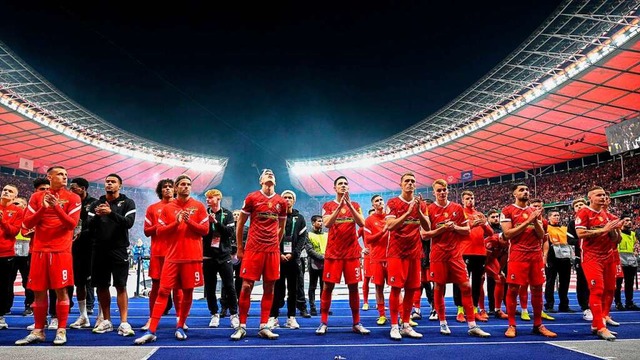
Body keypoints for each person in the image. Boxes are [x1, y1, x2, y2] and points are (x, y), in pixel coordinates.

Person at [134, 174, 208, 344]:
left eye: (188, 184)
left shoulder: (199, 207)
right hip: (172, 257)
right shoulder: (167, 208)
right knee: (162, 291)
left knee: (188, 292)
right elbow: (159, 231)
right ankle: (152, 329)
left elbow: (204, 230)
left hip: (192, 257)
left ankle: (180, 325)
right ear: (176, 187)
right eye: (182, 184)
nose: (186, 187)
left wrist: (189, 223)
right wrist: (176, 223)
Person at [15, 166, 81, 346]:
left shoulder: (73, 198)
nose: (64, 177)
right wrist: (43, 209)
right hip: (38, 251)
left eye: (66, 174)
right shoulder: (36, 197)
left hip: (61, 251)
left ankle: (61, 329)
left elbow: (71, 224)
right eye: (60, 174)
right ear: (49, 177)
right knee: (38, 292)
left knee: (61, 292)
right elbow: (27, 222)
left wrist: (56, 208)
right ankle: (38, 331)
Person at [425, 179, 490, 338]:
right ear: (434, 192)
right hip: (438, 254)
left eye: (444, 189)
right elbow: (425, 235)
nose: (442, 192)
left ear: (448, 191)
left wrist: (454, 227)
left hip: (455, 254)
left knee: (466, 286)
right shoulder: (429, 209)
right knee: (439, 288)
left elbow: (466, 230)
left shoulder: (457, 208)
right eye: (439, 190)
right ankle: (443, 323)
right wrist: (442, 229)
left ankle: (472, 325)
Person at [230, 169, 287, 340]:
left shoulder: (281, 202)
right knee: (246, 286)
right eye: (266, 174)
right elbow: (240, 223)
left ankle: (263, 325)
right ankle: (242, 325)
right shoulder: (252, 197)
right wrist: (240, 247)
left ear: (275, 182)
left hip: (271, 251)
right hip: (253, 249)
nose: (270, 175)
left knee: (270, 287)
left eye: (272, 174)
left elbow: (282, 227)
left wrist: (275, 244)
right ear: (260, 180)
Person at [316, 176, 370, 336]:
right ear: (335, 188)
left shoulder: (356, 205)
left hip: (351, 253)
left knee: (353, 287)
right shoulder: (328, 205)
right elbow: (327, 223)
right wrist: (340, 206)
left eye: (346, 184)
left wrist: (348, 205)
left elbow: (362, 223)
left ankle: (356, 322)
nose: (344, 186)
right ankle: (323, 322)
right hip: (333, 253)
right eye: (340, 184)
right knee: (328, 287)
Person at [501, 184, 556, 338]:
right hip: (518, 255)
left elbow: (540, 235)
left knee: (538, 289)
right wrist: (528, 221)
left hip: (535, 255)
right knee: (513, 289)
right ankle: (512, 324)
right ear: (514, 193)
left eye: (527, 190)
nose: (525, 192)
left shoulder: (534, 212)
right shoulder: (507, 211)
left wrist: (536, 220)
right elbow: (507, 234)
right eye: (521, 190)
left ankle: (538, 324)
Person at [88, 173, 136, 336]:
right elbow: (89, 226)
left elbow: (128, 223)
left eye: (113, 182)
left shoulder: (128, 202)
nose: (109, 184)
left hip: (119, 248)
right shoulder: (96, 203)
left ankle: (124, 322)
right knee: (102, 285)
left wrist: (110, 213)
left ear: (119, 185)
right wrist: (98, 216)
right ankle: (106, 320)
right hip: (99, 249)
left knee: (120, 285)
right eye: (107, 181)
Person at [385, 173, 431, 340]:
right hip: (396, 252)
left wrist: (417, 211)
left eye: (413, 181)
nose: (410, 184)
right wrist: (407, 213)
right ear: (401, 184)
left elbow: (427, 227)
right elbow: (390, 226)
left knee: (412, 289)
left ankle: (405, 325)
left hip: (414, 252)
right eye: (407, 181)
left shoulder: (421, 204)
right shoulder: (392, 203)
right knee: (396, 288)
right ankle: (394, 326)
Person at [575, 186, 623, 341]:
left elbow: (616, 240)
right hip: (591, 257)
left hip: (608, 256)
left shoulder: (607, 215)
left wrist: (614, 231)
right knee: (597, 289)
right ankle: (600, 327)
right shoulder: (584, 213)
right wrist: (603, 230)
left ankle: (600, 322)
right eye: (598, 195)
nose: (602, 197)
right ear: (590, 198)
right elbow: (580, 234)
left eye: (604, 195)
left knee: (610, 288)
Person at [141, 179, 183, 331]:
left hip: (176, 252)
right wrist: (159, 227)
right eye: (164, 187)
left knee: (178, 287)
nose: (167, 189)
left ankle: (180, 320)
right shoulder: (153, 208)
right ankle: (152, 319)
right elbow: (146, 231)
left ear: (175, 189)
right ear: (160, 190)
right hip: (158, 253)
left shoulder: (180, 208)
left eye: (170, 187)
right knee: (156, 286)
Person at [268, 190, 308, 329]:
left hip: (293, 259)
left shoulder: (300, 218)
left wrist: (294, 253)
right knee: (277, 289)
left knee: (293, 290)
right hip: (278, 259)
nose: (287, 200)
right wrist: (278, 253)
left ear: (294, 201)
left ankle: (291, 317)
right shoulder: (275, 216)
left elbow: (303, 238)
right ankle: (273, 317)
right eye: (284, 197)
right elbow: (271, 236)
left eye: (290, 197)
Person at [453, 190, 492, 323]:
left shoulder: (479, 214)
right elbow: (455, 230)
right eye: (468, 198)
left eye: (472, 198)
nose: (470, 200)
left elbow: (491, 233)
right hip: (464, 252)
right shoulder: (459, 214)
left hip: (480, 253)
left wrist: (484, 223)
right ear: (463, 201)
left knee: (477, 283)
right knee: (461, 283)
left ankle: (475, 310)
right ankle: (460, 310)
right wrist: (471, 224)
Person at [202, 189, 238, 329]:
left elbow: (229, 232)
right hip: (208, 255)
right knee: (210, 288)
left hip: (224, 256)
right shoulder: (203, 214)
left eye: (210, 197)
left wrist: (215, 222)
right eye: (207, 198)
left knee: (229, 286)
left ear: (218, 199)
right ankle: (214, 314)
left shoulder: (227, 214)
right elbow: (201, 232)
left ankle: (234, 314)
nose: (208, 200)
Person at [68, 178, 98, 329]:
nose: (71, 190)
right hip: (72, 247)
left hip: (90, 247)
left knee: (95, 281)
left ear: (83, 188)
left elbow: (95, 224)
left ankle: (101, 316)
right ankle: (83, 316)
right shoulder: (68, 201)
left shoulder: (94, 203)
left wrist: (81, 233)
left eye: (74, 187)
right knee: (78, 282)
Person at [363, 195, 389, 325]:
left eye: (381, 200)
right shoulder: (369, 220)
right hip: (377, 257)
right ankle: (382, 315)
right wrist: (383, 232)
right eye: (376, 201)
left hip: (392, 257)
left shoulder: (391, 218)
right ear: (373, 205)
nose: (379, 202)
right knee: (379, 287)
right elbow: (368, 239)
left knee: (396, 287)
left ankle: (403, 315)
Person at [0, 184, 23, 329]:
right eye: (5, 190)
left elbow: (14, 232)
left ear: (15, 197)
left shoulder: (17, 211)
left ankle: (1, 315)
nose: (6, 192)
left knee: (3, 286)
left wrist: (2, 220)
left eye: (10, 191)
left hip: (5, 253)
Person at [543, 210, 573, 313]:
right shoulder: (546, 228)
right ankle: (549, 305)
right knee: (550, 281)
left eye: (558, 215)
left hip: (565, 257)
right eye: (554, 215)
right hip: (552, 257)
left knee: (565, 282)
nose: (557, 217)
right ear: (549, 218)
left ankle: (564, 305)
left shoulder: (564, 228)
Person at [566, 198, 591, 321]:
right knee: (582, 282)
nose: (580, 207)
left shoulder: (593, 219)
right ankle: (585, 307)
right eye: (577, 206)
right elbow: (570, 240)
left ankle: (597, 307)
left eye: (582, 204)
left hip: (596, 256)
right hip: (580, 256)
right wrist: (587, 241)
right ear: (574, 209)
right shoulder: (572, 224)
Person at [10, 197, 34, 317]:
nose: (14, 205)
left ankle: (29, 305)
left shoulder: (29, 217)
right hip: (11, 250)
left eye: (17, 203)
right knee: (8, 280)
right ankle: (6, 306)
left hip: (26, 250)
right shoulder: (10, 215)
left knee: (28, 281)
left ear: (25, 205)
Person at [483, 210, 508, 319]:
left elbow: (504, 257)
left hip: (494, 259)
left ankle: (498, 309)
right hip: (482, 258)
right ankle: (481, 309)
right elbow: (484, 258)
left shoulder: (508, 241)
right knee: (480, 280)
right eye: (493, 217)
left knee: (500, 278)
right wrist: (482, 271)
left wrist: (499, 270)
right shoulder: (491, 239)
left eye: (497, 216)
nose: (496, 219)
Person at [615, 214, 639, 310]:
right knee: (618, 283)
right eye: (626, 220)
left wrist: (635, 251)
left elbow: (634, 246)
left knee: (629, 283)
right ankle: (618, 303)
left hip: (631, 261)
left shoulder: (633, 234)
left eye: (630, 220)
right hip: (619, 260)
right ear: (621, 222)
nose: (629, 222)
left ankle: (629, 302)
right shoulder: (617, 233)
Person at [306, 215, 327, 316]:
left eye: (322, 221)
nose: (321, 223)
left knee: (324, 287)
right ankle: (312, 307)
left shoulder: (326, 235)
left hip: (325, 265)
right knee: (312, 286)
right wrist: (323, 257)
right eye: (319, 221)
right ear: (313, 223)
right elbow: (309, 250)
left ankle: (324, 307)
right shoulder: (308, 234)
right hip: (313, 264)